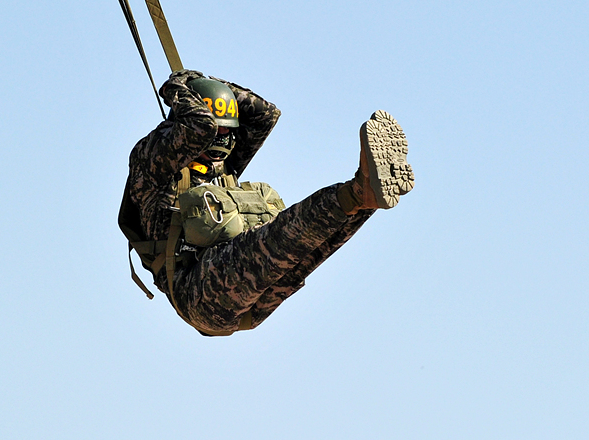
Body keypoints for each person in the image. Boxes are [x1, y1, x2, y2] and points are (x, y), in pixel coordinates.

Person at [119, 70, 414, 336]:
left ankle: (365, 201)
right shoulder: (152, 164)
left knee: (307, 247)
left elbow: (265, 114)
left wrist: (212, 86)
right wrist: (179, 90)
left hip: (250, 304)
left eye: (227, 131)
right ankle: (356, 192)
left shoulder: (222, 167)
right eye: (216, 130)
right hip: (199, 293)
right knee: (276, 238)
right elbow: (200, 126)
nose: (221, 138)